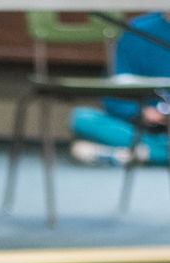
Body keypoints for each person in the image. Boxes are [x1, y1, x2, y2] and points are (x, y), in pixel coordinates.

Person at [71, 12, 170, 167]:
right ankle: (153, 151)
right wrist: (142, 113)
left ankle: (134, 154)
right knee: (81, 118)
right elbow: (113, 92)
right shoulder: (137, 30)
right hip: (144, 125)